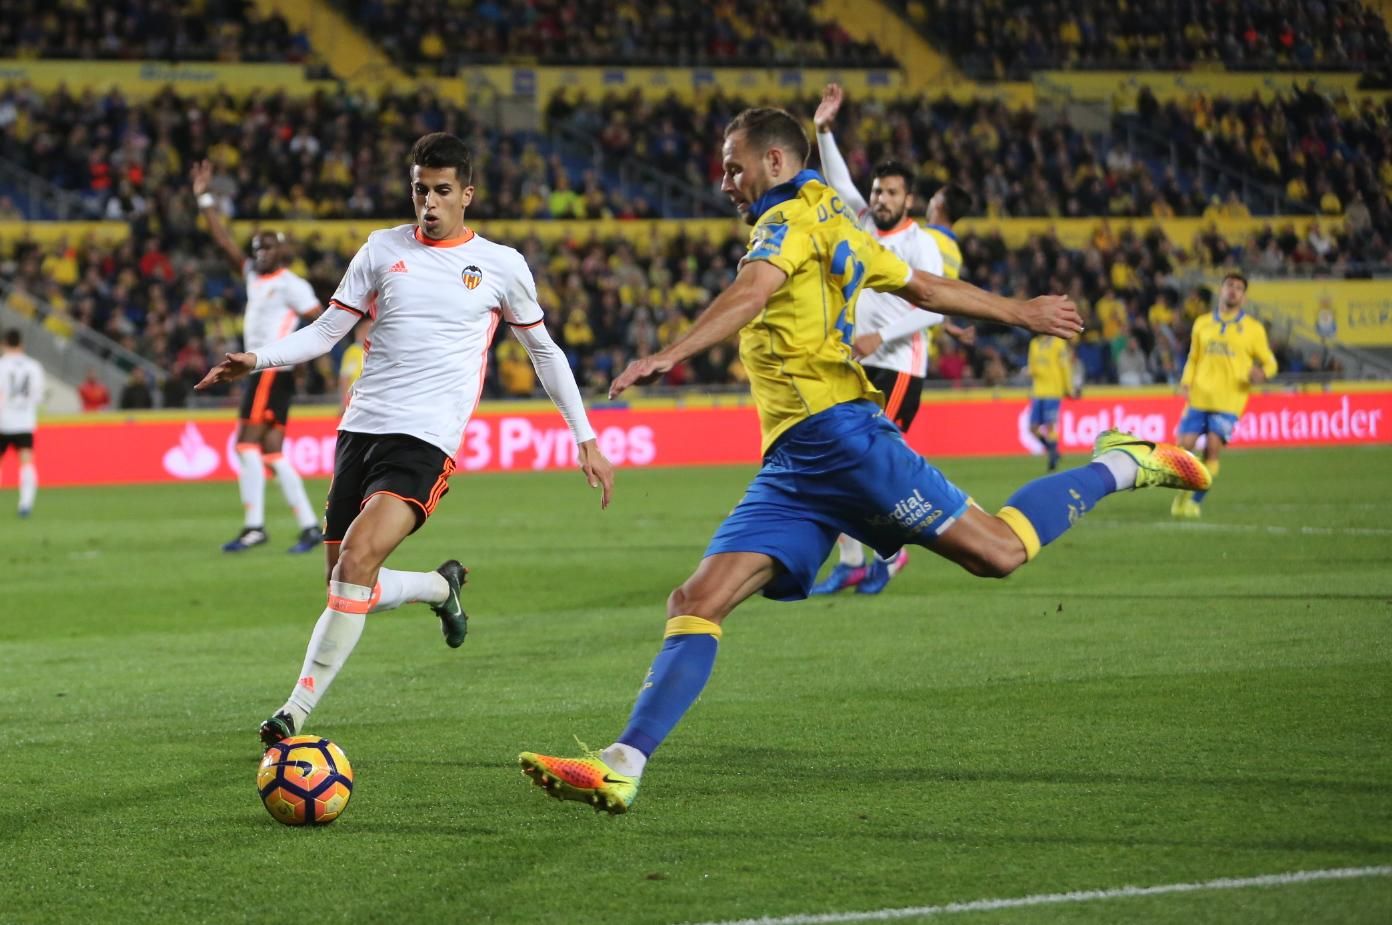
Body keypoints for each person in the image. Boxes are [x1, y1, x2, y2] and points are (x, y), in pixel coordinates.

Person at [518, 107, 1210, 814]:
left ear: (776, 164)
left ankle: (1123, 462)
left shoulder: (784, 225)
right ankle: (623, 762)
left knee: (998, 552)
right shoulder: (835, 220)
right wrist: (1018, 311)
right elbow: (926, 289)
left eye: (734, 165)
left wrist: (670, 352)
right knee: (696, 600)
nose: (724, 180)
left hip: (844, 438)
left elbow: (757, 292)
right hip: (793, 461)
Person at [195, 132, 615, 748]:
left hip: (426, 439)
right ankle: (439, 587)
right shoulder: (381, 249)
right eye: (421, 189)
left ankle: (294, 713)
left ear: (466, 194)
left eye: (443, 191)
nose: (430, 202)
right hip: (359, 430)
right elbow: (327, 330)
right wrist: (256, 359)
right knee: (344, 581)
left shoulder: (501, 266)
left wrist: (585, 437)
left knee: (359, 562)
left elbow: (544, 353)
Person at [809, 81, 976, 596]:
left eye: (890, 193)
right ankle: (856, 561)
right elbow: (837, 178)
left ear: (909, 200)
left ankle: (893, 550)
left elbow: (932, 310)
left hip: (900, 368)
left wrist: (878, 334)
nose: (880, 199)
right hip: (856, 363)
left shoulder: (919, 242)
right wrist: (823, 130)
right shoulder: (860, 221)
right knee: (834, 459)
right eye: (877, 191)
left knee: (868, 466)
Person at [192, 161, 326, 555]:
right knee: (270, 452)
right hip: (264, 372)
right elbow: (223, 241)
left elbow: (320, 321)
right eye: (256, 248)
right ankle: (307, 526)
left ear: (282, 250)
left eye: (266, 247)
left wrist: (296, 358)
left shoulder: (291, 283)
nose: (259, 253)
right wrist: (204, 198)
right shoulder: (255, 276)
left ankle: (254, 527)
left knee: (243, 446)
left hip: (269, 369)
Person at [1172, 272, 1277, 518]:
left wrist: (1262, 373)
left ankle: (1194, 502)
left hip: (1229, 402)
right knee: (1182, 450)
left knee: (1212, 448)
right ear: (1221, 290)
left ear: (1244, 296)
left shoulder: (1253, 329)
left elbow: (1271, 363)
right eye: (1230, 285)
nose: (1233, 291)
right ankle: (1182, 496)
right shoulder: (1202, 323)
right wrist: (1186, 383)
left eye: (1239, 288)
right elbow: (1193, 358)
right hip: (1199, 398)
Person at [0, 329, 44, 517]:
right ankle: (25, 504)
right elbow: (38, 396)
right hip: (24, 422)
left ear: (4, 344)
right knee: (26, 461)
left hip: (3, 421)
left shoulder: (1, 365)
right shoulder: (34, 366)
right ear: (21, 344)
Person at [1027, 333, 1077, 470]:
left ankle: (1052, 460)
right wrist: (1030, 371)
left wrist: (1069, 388)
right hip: (1038, 391)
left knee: (1050, 426)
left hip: (1053, 391)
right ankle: (1053, 451)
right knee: (1032, 428)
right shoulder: (1034, 344)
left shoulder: (1058, 344)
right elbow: (1031, 366)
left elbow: (1065, 367)